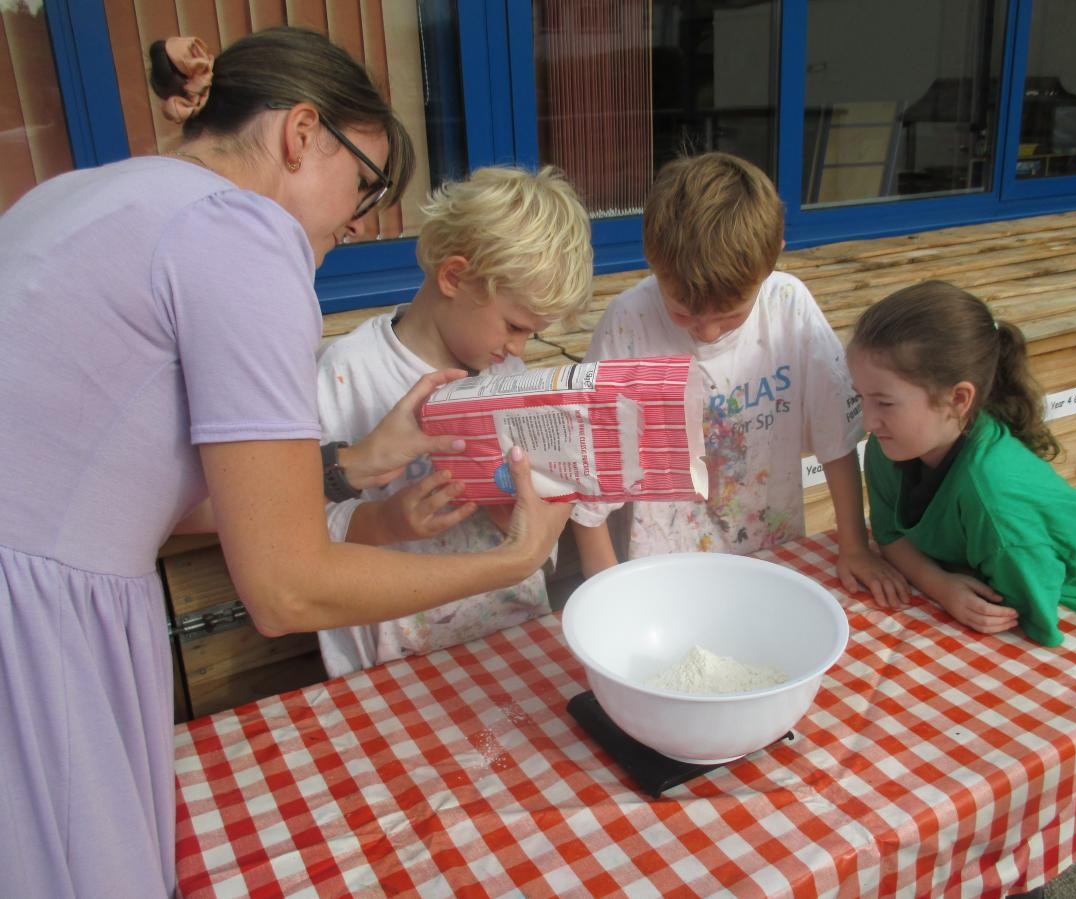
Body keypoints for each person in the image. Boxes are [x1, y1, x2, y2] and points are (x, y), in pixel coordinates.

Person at [0, 28, 570, 898]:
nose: (359, 219)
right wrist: (518, 558)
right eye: (366, 183)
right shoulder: (243, 236)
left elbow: (136, 486)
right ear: (302, 133)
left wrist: (347, 465)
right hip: (37, 634)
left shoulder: (79, 195)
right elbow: (285, 589)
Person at [573, 152, 907, 604]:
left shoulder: (788, 306)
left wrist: (854, 546)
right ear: (651, 259)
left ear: (772, 261)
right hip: (662, 575)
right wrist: (604, 591)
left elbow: (836, 439)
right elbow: (591, 480)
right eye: (682, 313)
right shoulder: (628, 324)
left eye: (729, 317)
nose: (706, 331)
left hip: (771, 558)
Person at [316, 165, 593, 675]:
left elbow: (529, 500)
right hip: (397, 660)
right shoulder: (348, 373)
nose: (517, 347)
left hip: (510, 640)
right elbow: (299, 533)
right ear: (454, 276)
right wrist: (386, 521)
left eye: (531, 334)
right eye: (514, 326)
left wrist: (521, 506)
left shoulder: (504, 368)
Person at [847, 280, 1076, 646]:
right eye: (860, 397)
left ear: (958, 399)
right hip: (1019, 574)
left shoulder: (992, 498)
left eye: (884, 403)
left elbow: (1033, 625)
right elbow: (890, 536)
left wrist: (942, 586)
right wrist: (941, 586)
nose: (867, 422)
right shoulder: (890, 447)